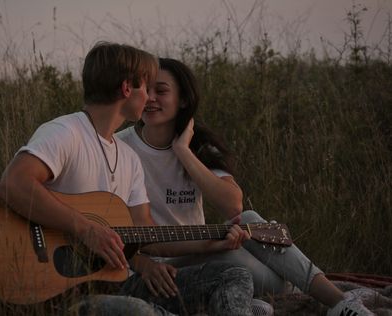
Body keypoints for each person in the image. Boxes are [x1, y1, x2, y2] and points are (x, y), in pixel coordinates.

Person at [0, 42, 254, 316]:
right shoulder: (65, 132)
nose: (149, 97)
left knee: (233, 274)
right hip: (60, 288)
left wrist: (214, 241)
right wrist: (86, 229)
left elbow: (148, 235)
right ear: (126, 89)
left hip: (116, 282)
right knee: (137, 312)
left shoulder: (128, 157)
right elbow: (13, 184)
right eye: (146, 87)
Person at [117, 57, 374, 316]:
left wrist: (182, 151)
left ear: (183, 100)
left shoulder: (197, 147)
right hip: (155, 263)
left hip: (198, 252)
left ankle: (341, 304)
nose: (150, 98)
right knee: (280, 282)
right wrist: (141, 263)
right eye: (144, 89)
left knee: (250, 224)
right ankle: (245, 296)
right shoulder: (119, 147)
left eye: (160, 91)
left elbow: (233, 205)